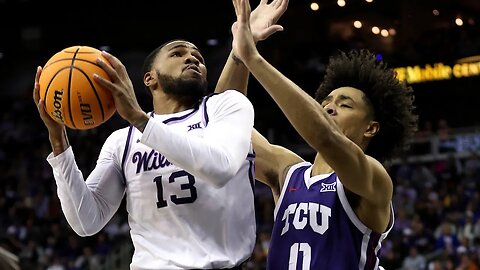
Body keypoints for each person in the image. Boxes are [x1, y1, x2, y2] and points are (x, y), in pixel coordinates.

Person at [32, 1, 288, 269]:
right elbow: (86, 221)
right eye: (178, 54)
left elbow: (220, 168)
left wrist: (140, 120)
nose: (192, 58)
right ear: (149, 79)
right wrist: (59, 141)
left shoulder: (227, 107)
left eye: (198, 57)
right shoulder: (123, 141)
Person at [216, 0, 419, 268]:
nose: (329, 107)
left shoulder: (374, 178)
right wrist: (238, 54)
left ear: (370, 128)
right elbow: (223, 125)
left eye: (344, 104)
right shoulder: (287, 172)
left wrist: (253, 58)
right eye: (326, 103)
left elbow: (325, 136)